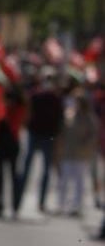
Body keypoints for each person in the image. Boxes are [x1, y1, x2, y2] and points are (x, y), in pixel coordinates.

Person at [20, 71, 63, 213]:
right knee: (31, 169)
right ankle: (21, 200)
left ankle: (33, 202)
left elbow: (58, 120)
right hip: (39, 135)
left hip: (44, 136)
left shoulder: (51, 98)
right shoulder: (44, 97)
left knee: (40, 170)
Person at [55, 87, 97, 217]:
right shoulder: (69, 115)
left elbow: (93, 135)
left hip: (81, 154)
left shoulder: (89, 118)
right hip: (68, 152)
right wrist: (59, 149)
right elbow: (62, 133)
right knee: (64, 180)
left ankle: (77, 206)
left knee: (79, 181)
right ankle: (61, 205)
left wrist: (86, 144)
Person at [0, 83, 27, 217]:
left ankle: (12, 205)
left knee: (10, 175)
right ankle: (4, 205)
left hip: (10, 143)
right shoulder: (16, 108)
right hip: (7, 143)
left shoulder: (15, 109)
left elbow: (10, 124)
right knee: (4, 176)